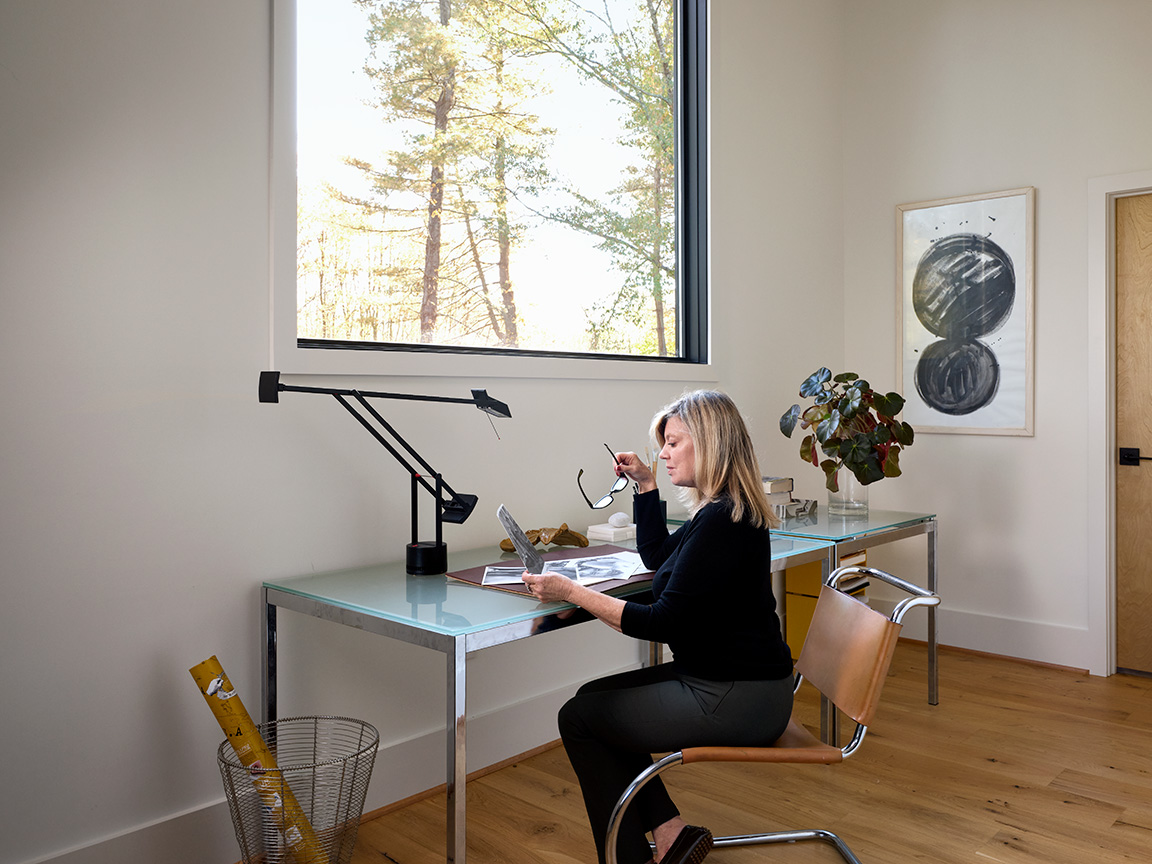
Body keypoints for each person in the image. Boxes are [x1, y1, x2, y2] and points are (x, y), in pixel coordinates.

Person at [522, 390, 795, 864]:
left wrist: (571, 592)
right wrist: (646, 485)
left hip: (736, 695)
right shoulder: (722, 509)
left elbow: (662, 620)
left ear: (709, 443)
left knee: (580, 719)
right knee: (591, 701)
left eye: (673, 443)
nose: (663, 453)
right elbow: (658, 558)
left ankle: (634, 859)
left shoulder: (724, 521)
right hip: (736, 681)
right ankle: (671, 836)